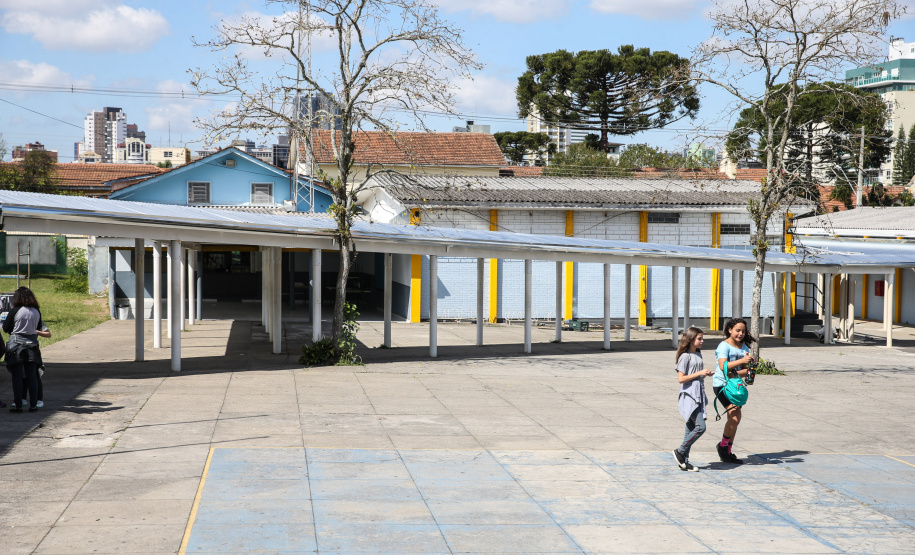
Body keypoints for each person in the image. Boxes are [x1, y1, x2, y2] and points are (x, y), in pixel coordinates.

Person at [713, 317, 755, 464]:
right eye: (737, 330)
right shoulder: (723, 346)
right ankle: (723, 447)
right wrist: (742, 362)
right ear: (730, 330)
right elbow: (723, 366)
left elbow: (743, 371)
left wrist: (750, 368)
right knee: (735, 416)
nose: (740, 334)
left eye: (743, 331)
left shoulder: (744, 348)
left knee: (734, 419)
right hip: (722, 385)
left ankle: (728, 450)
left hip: (736, 387)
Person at [672, 326, 714, 472]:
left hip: (699, 394)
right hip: (690, 395)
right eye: (699, 339)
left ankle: (684, 460)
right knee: (700, 427)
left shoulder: (698, 354)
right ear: (690, 340)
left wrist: (705, 374)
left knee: (690, 428)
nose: (702, 341)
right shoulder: (685, 357)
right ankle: (680, 451)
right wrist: (699, 373)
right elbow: (681, 379)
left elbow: (696, 374)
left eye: (702, 338)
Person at [4, 287, 51, 413]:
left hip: (16, 345)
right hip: (32, 346)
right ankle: (34, 405)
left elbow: (6, 327)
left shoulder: (15, 311)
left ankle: (18, 404)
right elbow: (37, 327)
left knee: (17, 376)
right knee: (32, 376)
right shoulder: (36, 311)